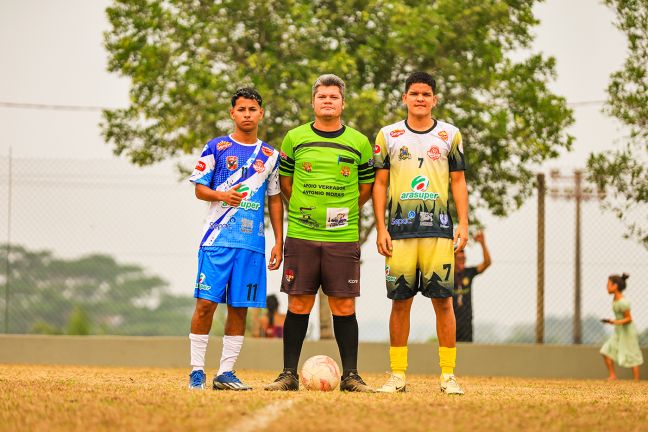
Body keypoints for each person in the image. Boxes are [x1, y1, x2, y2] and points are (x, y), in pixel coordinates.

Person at [264, 74, 375, 392]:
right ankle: (288, 374)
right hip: (301, 234)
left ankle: (351, 376)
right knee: (298, 304)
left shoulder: (358, 142)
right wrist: (304, 210)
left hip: (342, 237)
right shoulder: (294, 138)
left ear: (343, 103)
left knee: (344, 306)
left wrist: (343, 212)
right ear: (313, 102)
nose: (328, 101)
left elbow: (365, 188)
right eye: (322, 96)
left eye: (334, 97)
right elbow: (285, 184)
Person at [372, 71, 468, 394]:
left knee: (444, 303)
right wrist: (381, 227)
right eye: (414, 93)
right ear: (404, 98)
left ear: (435, 99)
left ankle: (448, 376)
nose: (420, 99)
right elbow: (380, 183)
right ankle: (397, 375)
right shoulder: (388, 135)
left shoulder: (450, 135)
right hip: (399, 233)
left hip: (439, 232)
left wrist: (464, 224)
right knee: (401, 302)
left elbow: (458, 182)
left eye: (426, 94)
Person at [187, 87, 283, 390]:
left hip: (251, 243)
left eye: (252, 109)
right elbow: (199, 188)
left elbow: (275, 199)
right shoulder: (215, 147)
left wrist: (279, 241)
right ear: (232, 113)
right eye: (241, 109)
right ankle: (197, 371)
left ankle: (226, 373)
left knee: (239, 308)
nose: (247, 114)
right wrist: (221, 194)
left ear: (261, 113)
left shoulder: (270, 155)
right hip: (217, 239)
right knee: (205, 305)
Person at [600, 273, 643, 381]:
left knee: (632, 353)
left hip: (627, 331)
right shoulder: (615, 300)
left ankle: (636, 380)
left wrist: (614, 322)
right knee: (606, 350)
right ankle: (613, 375)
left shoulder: (624, 302)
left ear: (615, 286)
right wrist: (612, 322)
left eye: (608, 284)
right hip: (618, 330)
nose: (607, 287)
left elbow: (629, 319)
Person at [453, 231, 491, 342]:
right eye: (459, 259)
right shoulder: (447, 274)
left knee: (466, 350)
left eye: (464, 259)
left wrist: (483, 244)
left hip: (466, 320)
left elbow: (487, 263)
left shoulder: (469, 272)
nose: (462, 261)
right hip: (450, 319)